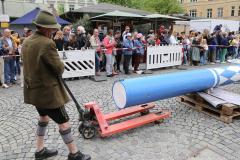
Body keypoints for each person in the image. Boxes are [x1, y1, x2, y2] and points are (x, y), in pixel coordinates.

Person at [21, 10, 91, 160]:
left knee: (43, 118)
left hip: (34, 92)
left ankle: (39, 151)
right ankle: (74, 154)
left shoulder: (26, 41)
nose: (54, 30)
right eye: (52, 28)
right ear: (45, 28)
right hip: (49, 93)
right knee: (64, 123)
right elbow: (59, 68)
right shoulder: (47, 43)